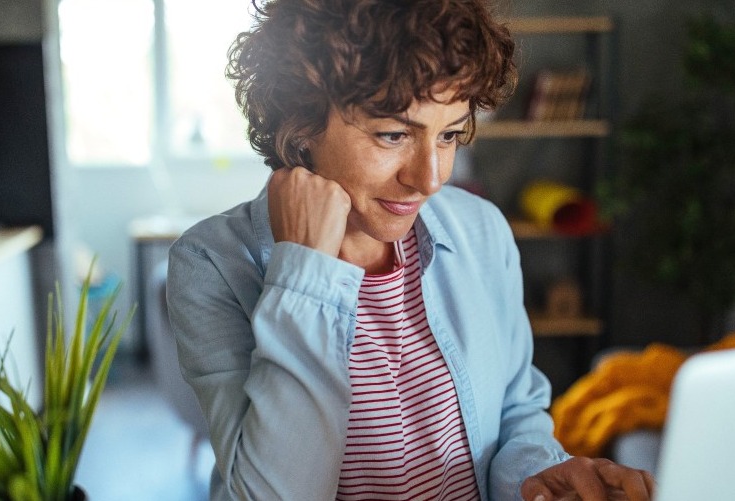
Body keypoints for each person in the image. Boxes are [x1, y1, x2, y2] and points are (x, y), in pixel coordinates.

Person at [167, 0, 656, 499]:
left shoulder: (482, 231)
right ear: (301, 119)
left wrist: (537, 478)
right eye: (394, 134)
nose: (430, 178)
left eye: (448, 135)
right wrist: (306, 273)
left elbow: (515, 412)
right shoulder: (212, 265)